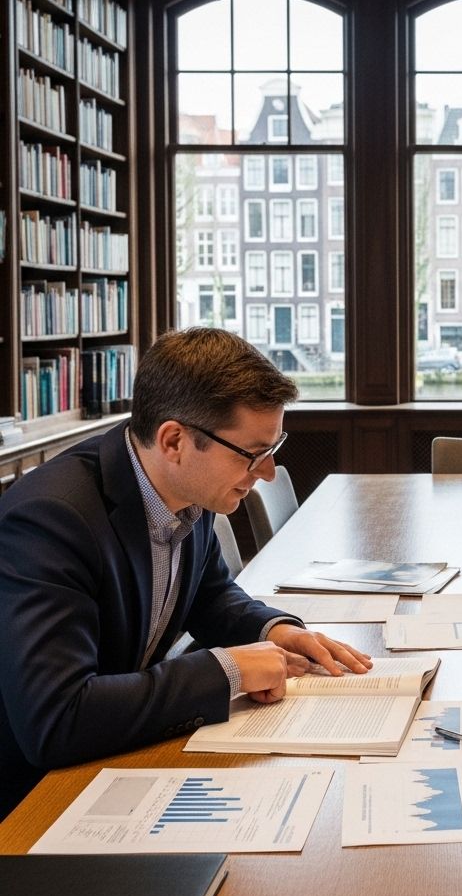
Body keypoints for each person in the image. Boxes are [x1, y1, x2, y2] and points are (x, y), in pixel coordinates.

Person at [0, 327, 372, 819]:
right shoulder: (51, 519)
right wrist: (228, 670)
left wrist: (275, 631)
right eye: (253, 454)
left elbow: (207, 593)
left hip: (116, 762)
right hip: (31, 802)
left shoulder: (188, 485)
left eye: (273, 447)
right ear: (174, 440)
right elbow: (57, 718)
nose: (266, 472)